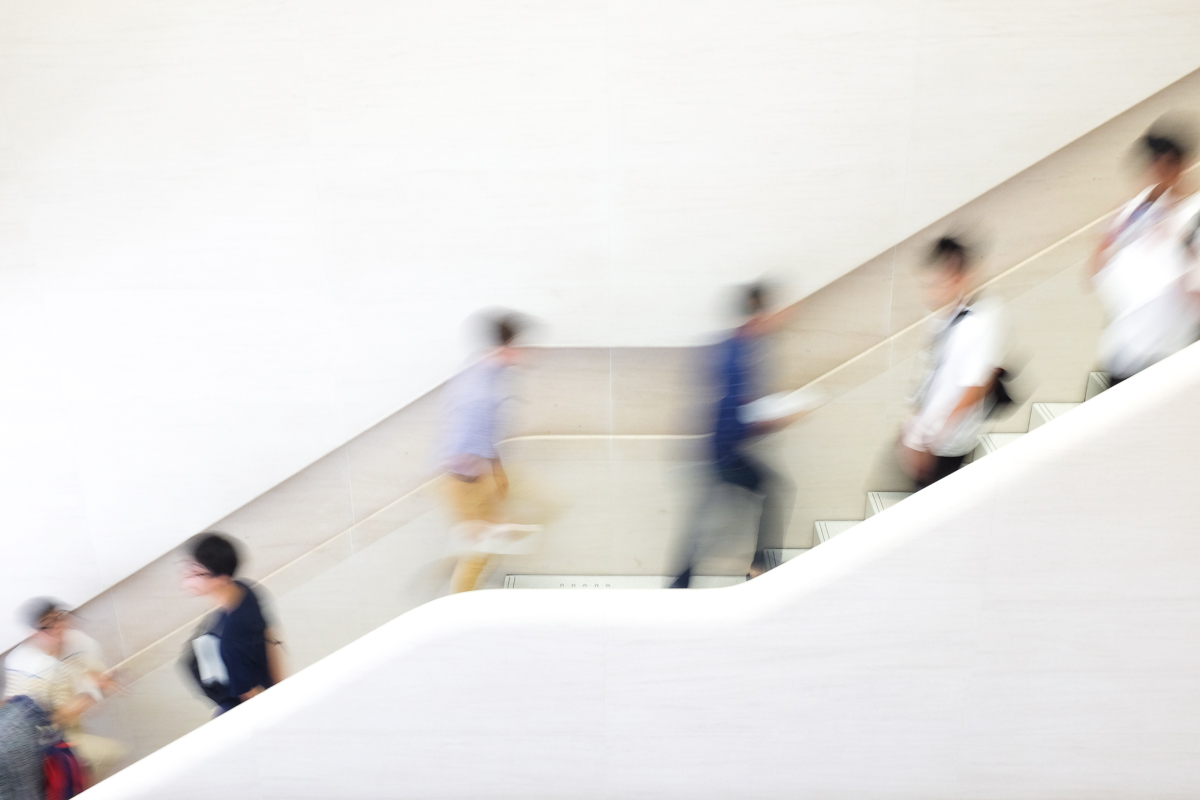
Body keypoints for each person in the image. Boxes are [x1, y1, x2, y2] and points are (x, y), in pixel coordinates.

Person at [671, 282, 803, 588]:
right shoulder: (740, 355)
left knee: (708, 523)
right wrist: (779, 418)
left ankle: (681, 584)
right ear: (761, 314)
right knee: (770, 492)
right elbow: (735, 415)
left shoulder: (734, 345)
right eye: (774, 309)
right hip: (726, 452)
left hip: (720, 450)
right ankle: (760, 568)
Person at [440, 313, 542, 593]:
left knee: (483, 547)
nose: (528, 353)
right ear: (508, 347)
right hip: (467, 478)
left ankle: (453, 569)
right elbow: (464, 447)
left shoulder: (482, 372)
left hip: (474, 473)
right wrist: (484, 511)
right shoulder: (481, 391)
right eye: (522, 346)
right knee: (480, 551)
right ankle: (458, 609)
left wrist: (498, 472)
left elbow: (484, 435)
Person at [1090, 126, 1200, 385]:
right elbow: (1095, 268)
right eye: (1150, 165)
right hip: (1123, 350)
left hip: (1170, 353)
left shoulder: (1193, 213)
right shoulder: (1132, 211)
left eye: (1161, 165)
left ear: (1177, 168)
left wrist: (1179, 243)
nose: (1153, 174)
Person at [899, 236, 1006, 489]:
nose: (931, 292)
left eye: (937, 284)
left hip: (945, 448)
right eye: (927, 284)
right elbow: (932, 377)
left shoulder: (980, 321)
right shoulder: (944, 317)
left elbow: (975, 389)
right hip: (925, 437)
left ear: (960, 277)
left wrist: (932, 441)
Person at [2, 598, 125, 782]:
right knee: (107, 754)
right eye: (47, 625)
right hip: (40, 744)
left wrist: (99, 685)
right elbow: (34, 723)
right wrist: (88, 696)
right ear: (32, 633)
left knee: (97, 764)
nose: (58, 627)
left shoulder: (80, 643)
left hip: (69, 730)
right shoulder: (23, 664)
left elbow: (94, 675)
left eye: (60, 617)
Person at [179, 533, 285, 715]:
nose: (187, 579)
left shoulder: (231, 640)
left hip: (240, 711)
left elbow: (251, 697)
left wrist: (281, 706)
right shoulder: (244, 589)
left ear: (220, 579)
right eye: (188, 569)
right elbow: (269, 638)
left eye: (196, 573)